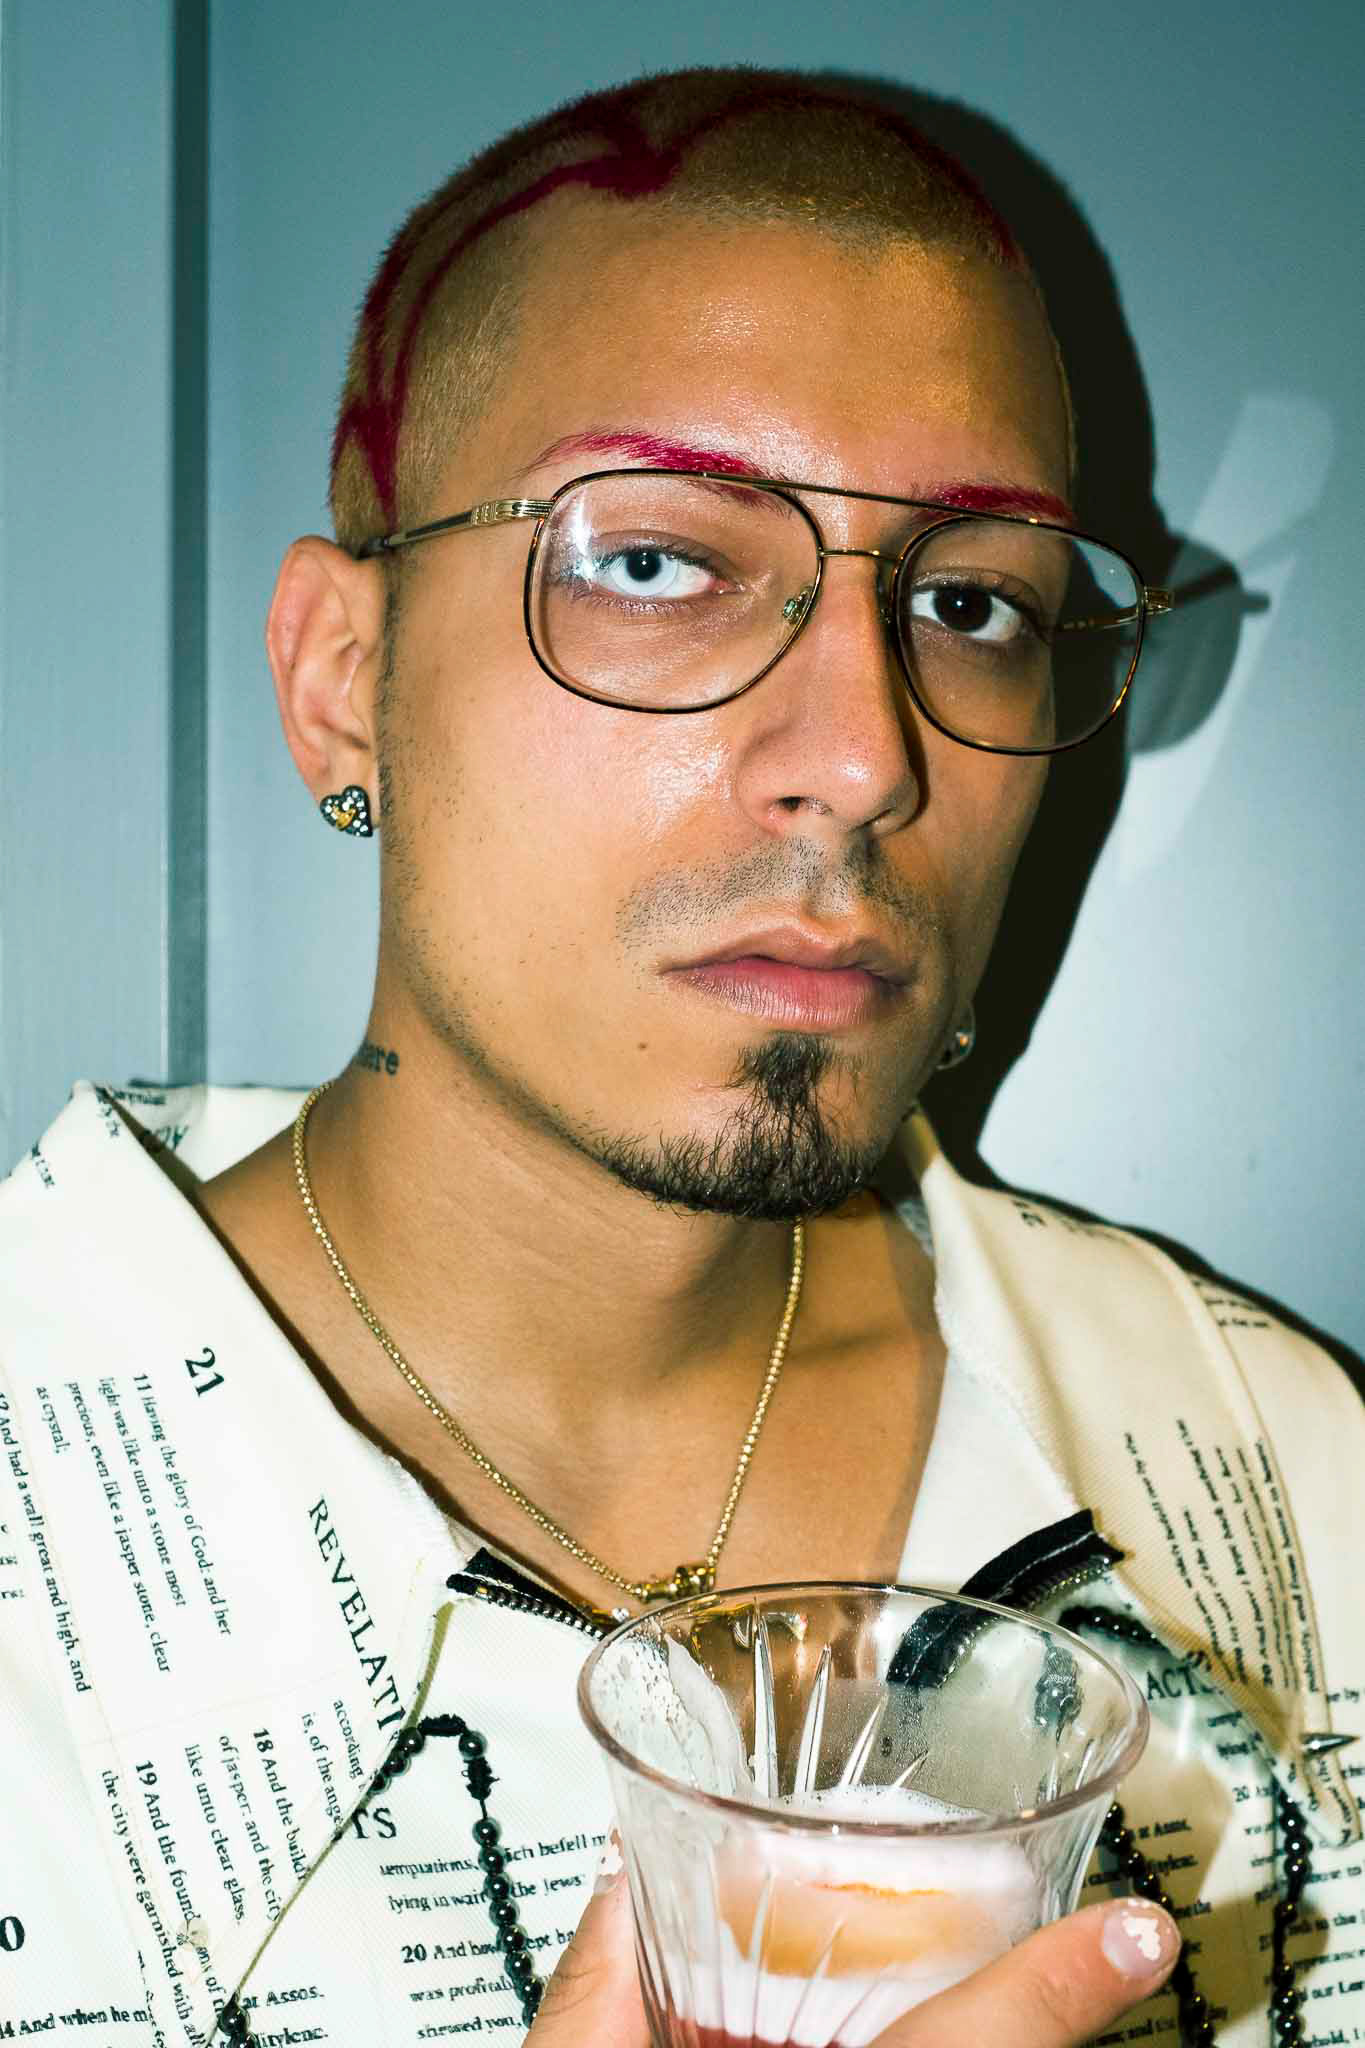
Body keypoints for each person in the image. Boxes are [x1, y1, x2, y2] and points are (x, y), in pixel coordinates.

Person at [1, 66, 1359, 2048]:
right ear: (342, 682)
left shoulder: (1282, 1470)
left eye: (970, 601)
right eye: (652, 561)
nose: (865, 757)